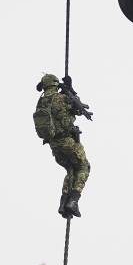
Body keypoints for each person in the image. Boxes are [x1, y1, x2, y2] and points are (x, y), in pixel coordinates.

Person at [34, 74, 92, 218]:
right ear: (55, 83)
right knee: (84, 166)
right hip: (68, 141)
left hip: (54, 145)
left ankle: (63, 203)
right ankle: (73, 201)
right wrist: (71, 91)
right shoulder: (61, 98)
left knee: (71, 170)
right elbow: (77, 110)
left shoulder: (41, 102)